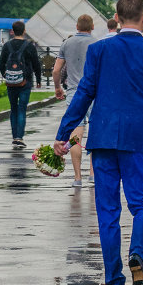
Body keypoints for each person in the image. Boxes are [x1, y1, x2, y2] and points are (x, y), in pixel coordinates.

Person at [54, 0, 143, 285]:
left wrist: (63, 135)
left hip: (104, 138)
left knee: (107, 212)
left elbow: (83, 94)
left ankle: (114, 280)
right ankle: (138, 254)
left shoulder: (99, 50)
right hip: (141, 140)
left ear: (117, 18)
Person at [53, 14, 96, 186]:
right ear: (92, 27)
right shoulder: (97, 44)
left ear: (76, 27)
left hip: (73, 94)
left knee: (75, 136)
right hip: (93, 94)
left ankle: (77, 177)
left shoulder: (66, 44)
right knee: (94, 133)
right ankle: (93, 174)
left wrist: (58, 87)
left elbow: (56, 70)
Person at [0, 21, 42, 148]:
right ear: (24, 31)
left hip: (11, 83)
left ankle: (14, 136)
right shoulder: (29, 46)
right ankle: (19, 137)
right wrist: (38, 79)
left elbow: (1, 64)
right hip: (25, 81)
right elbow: (36, 64)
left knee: (13, 109)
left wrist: (7, 76)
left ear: (12, 31)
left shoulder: (7, 46)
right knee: (22, 109)